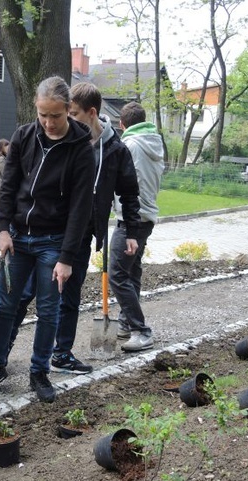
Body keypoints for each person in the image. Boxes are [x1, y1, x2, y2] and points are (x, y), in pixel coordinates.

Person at [0, 76, 95, 403]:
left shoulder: (82, 151)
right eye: (43, 115)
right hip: (17, 238)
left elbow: (80, 209)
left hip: (53, 243)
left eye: (55, 115)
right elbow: (8, 187)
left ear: (69, 110)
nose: (48, 123)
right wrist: (2, 230)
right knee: (4, 306)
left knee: (48, 309)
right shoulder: (25, 137)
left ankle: (39, 371)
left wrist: (67, 257)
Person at [8, 82, 141, 373]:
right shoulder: (58, 141)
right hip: (48, 232)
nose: (65, 119)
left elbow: (129, 192)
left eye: (73, 113)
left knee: (69, 297)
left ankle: (61, 353)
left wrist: (130, 230)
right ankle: (3, 349)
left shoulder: (116, 150)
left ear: (90, 113)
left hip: (81, 236)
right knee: (24, 292)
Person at [110, 101, 164, 352]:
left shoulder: (130, 145)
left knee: (118, 275)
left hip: (132, 219)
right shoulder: (153, 142)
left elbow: (124, 183)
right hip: (146, 216)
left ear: (122, 125)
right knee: (132, 272)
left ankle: (141, 331)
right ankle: (125, 323)